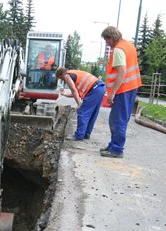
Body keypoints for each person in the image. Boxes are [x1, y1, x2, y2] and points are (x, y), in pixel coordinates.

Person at [100, 26, 142, 158]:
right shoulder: (129, 45)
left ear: (111, 38)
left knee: (117, 120)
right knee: (119, 118)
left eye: (107, 41)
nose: (107, 44)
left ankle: (117, 149)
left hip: (123, 90)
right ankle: (113, 145)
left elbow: (122, 71)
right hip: (131, 87)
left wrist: (112, 93)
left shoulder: (118, 49)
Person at [56, 67, 106, 140]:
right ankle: (86, 134)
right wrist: (64, 94)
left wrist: (79, 104)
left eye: (61, 78)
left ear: (62, 74)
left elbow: (73, 90)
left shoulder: (67, 75)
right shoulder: (74, 73)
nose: (63, 80)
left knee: (82, 111)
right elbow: (75, 93)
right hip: (100, 88)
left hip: (94, 89)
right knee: (92, 113)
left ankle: (79, 135)